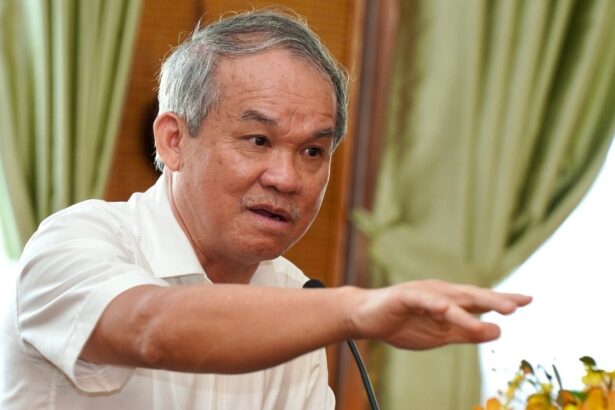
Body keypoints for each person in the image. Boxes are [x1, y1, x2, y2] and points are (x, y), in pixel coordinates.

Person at [0, 9, 531, 410]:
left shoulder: (295, 302)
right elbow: (150, 328)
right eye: (257, 140)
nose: (286, 178)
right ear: (174, 140)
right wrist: (353, 310)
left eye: (313, 152)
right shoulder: (75, 242)